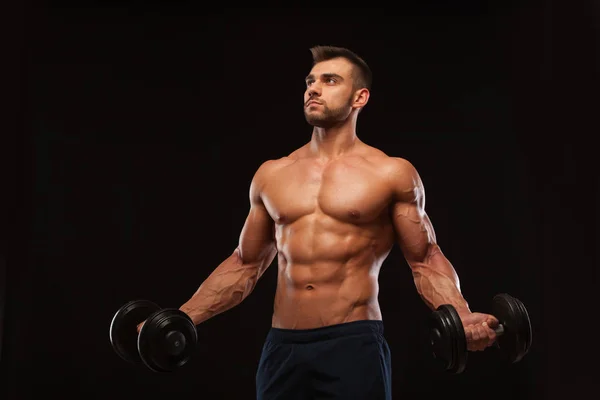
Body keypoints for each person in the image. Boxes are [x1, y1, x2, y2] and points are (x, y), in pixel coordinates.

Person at [155, 46, 499, 399]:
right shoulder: (272, 174)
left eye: (329, 80)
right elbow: (245, 263)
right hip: (282, 347)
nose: (313, 89)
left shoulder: (390, 172)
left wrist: (461, 313)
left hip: (352, 345)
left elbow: (425, 258)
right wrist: (178, 319)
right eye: (310, 81)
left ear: (359, 97)